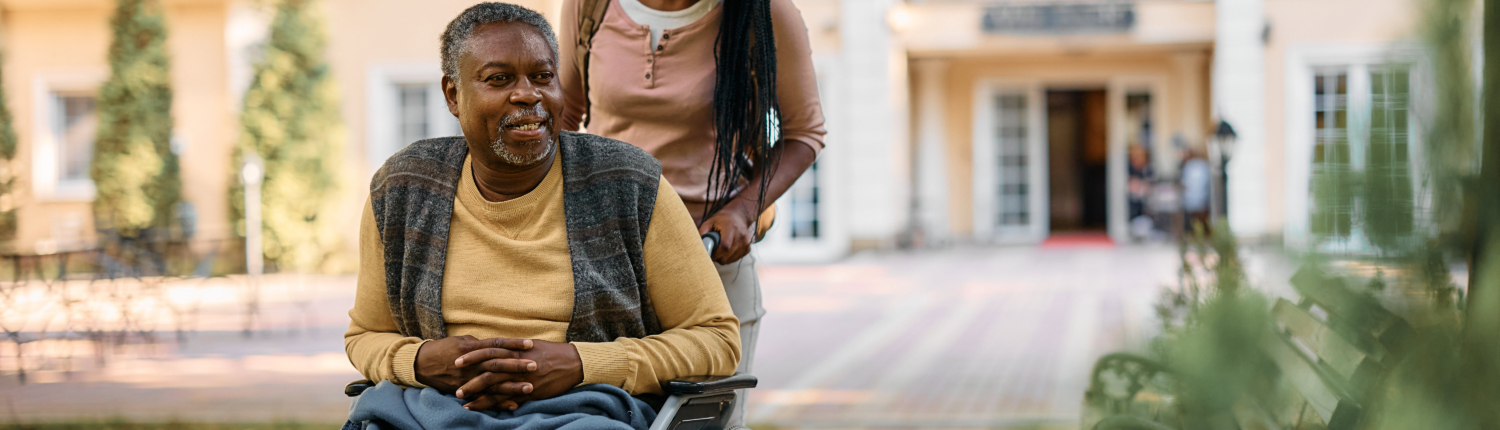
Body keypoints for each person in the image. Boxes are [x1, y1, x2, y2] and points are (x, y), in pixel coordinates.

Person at [343, 3, 739, 428]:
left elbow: (716, 340)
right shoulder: (403, 187)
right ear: (453, 95)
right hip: (431, 410)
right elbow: (365, 335)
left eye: (542, 77)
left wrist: (582, 363)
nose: (527, 94)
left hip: (585, 412)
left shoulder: (630, 184)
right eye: (499, 79)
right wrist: (420, 360)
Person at [559, 0, 826, 424]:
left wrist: (742, 210)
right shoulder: (590, 5)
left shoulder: (765, 12)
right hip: (606, 264)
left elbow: (804, 132)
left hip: (710, 261)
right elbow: (566, 115)